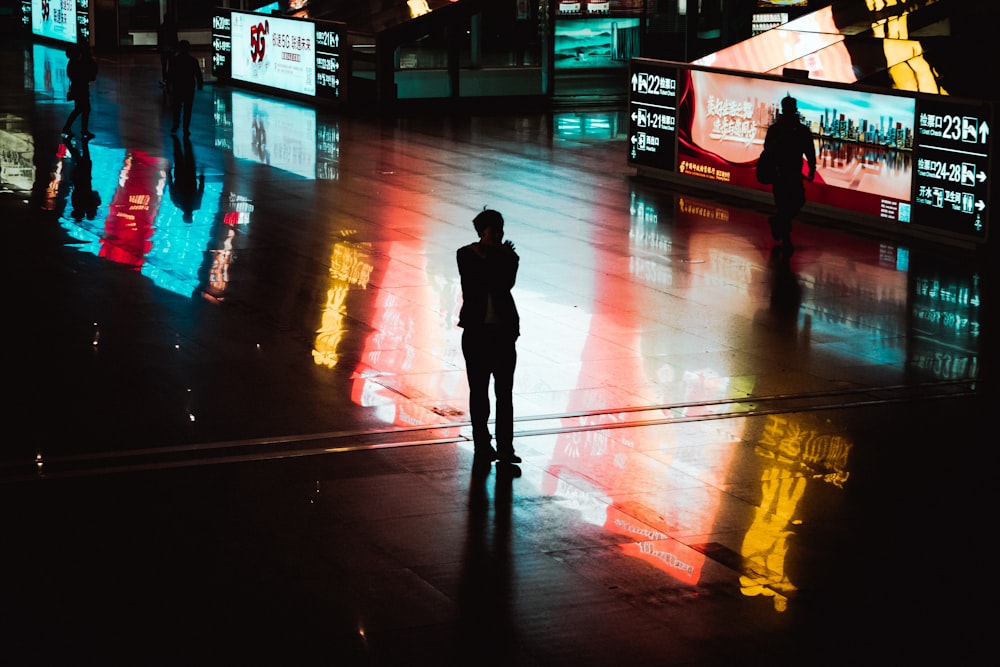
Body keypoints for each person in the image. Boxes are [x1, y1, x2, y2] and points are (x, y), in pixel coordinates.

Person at [457, 209, 521, 467]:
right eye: (494, 229)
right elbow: (480, 282)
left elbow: (503, 283)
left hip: (501, 334)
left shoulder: (508, 257)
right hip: (478, 334)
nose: (499, 233)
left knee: (504, 393)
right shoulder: (466, 255)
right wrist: (497, 256)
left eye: (501, 228)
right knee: (481, 392)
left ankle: (504, 447)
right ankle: (483, 443)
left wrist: (494, 256)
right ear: (482, 231)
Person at [763, 95, 816, 255]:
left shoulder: (788, 129)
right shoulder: (788, 130)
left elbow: (809, 150)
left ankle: (778, 223)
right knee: (786, 204)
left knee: (794, 202)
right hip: (782, 172)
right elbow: (809, 150)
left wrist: (812, 167)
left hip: (789, 172)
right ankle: (785, 237)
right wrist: (812, 167)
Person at [167, 40, 204, 135]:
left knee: (177, 108)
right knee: (188, 109)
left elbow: (170, 74)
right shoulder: (193, 61)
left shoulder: (175, 60)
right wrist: (200, 85)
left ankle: (176, 125)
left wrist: (168, 85)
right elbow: (198, 74)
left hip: (177, 87)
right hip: (189, 87)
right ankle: (185, 128)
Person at [62, 42, 98, 140]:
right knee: (84, 109)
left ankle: (69, 128)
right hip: (81, 88)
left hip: (77, 88)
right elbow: (89, 75)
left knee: (79, 109)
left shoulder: (72, 63)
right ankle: (81, 130)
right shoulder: (79, 63)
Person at [167, 134, 204, 222]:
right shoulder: (177, 203)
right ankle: (177, 139)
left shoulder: (196, 205)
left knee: (189, 155)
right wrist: (169, 175)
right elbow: (171, 188)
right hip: (179, 175)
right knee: (178, 155)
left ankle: (185, 138)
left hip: (190, 176)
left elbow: (201, 190)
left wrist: (202, 180)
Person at [157, 13, 179, 87]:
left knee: (164, 65)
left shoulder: (161, 28)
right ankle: (170, 78)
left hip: (164, 49)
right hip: (171, 49)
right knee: (171, 64)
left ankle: (165, 78)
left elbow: (159, 39)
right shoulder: (172, 28)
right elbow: (175, 38)